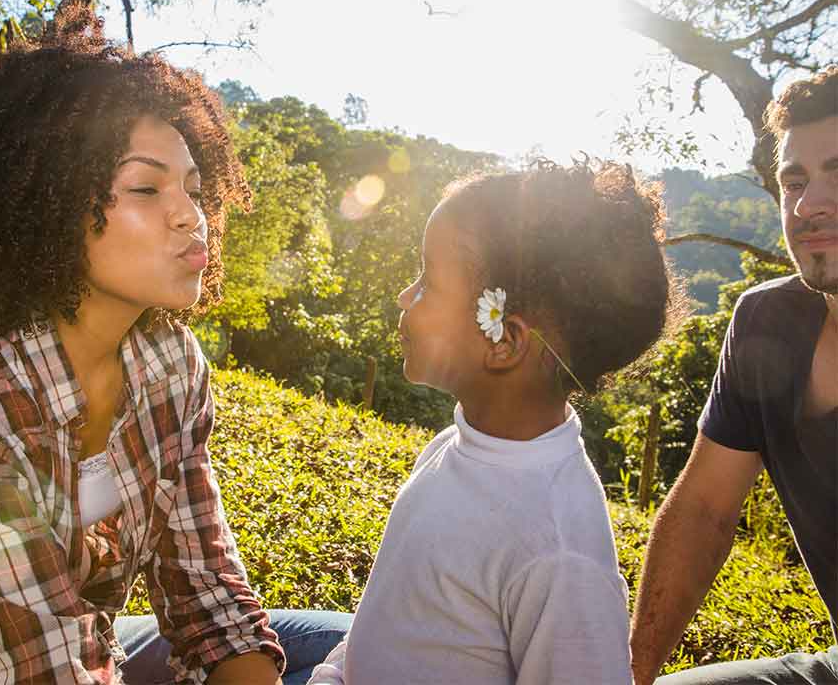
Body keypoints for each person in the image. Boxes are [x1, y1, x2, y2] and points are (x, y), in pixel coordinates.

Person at [0, 5, 349, 685]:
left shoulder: (172, 360)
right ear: (48, 205)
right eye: (145, 187)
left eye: (194, 188)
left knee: (345, 644)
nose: (191, 214)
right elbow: (44, 664)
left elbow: (203, 584)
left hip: (91, 643)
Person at [307, 160, 675, 685]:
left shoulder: (558, 551)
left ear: (504, 340)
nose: (404, 296)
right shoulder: (452, 446)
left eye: (427, 282)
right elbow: (382, 621)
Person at [630, 66, 838, 684]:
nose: (808, 204)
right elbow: (704, 509)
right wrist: (631, 675)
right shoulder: (765, 323)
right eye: (794, 181)